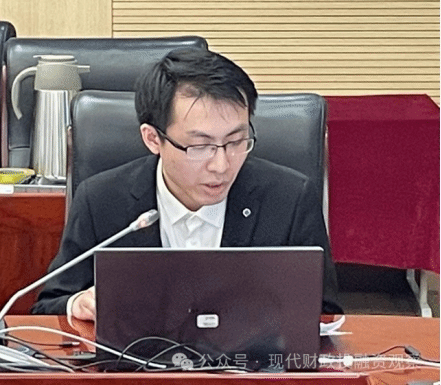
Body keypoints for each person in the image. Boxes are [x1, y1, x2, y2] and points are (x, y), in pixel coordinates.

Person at [31, 47, 342, 319]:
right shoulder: (101, 200)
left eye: (236, 141)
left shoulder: (289, 199)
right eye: (200, 146)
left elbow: (324, 313)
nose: (221, 165)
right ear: (153, 139)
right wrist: (79, 304)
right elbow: (48, 305)